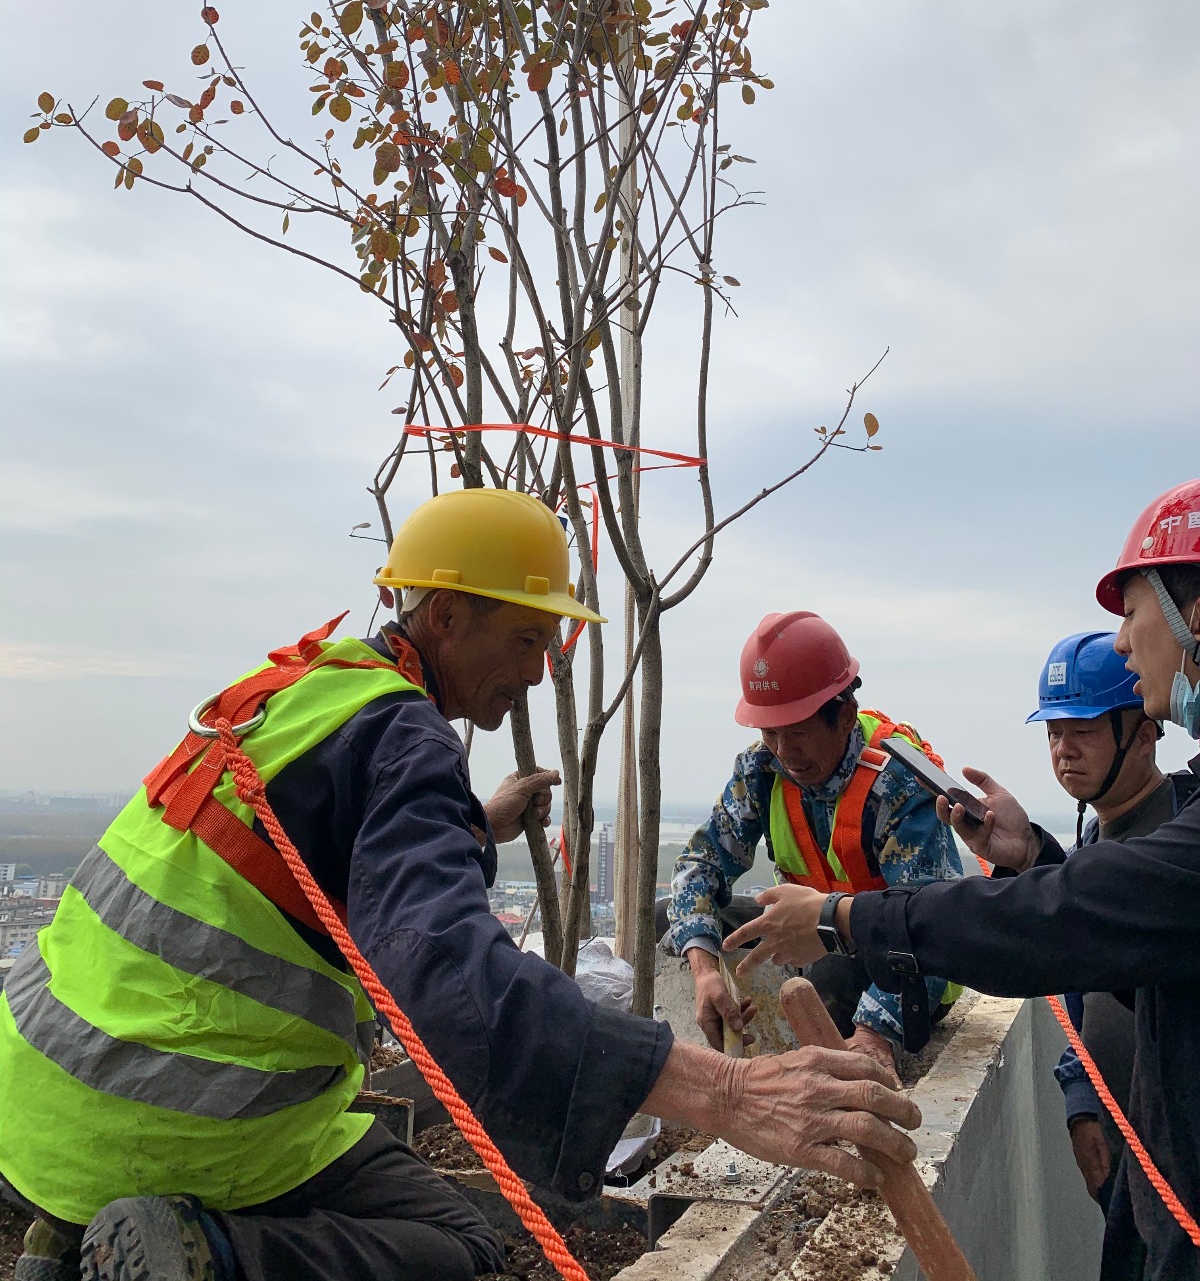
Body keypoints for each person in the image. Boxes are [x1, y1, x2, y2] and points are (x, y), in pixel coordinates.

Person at [0, 488, 920, 1281]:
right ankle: (193, 1247)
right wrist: (728, 1093)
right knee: (457, 1243)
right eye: (525, 637)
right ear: (444, 618)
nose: (537, 668)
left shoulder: (306, 689)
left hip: (37, 1101)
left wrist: (471, 826)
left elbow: (312, 857)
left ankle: (65, 1228)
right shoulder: (406, 744)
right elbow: (449, 977)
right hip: (172, 1114)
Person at [721, 479, 1200, 1281]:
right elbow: (1121, 922)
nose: (1123, 641)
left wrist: (844, 919)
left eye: (1133, 610)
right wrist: (1034, 859)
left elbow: (1067, 922)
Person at [667, 610, 963, 1073]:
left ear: (844, 716)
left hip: (894, 960)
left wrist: (873, 1036)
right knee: (683, 920)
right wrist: (706, 971)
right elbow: (699, 866)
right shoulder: (763, 770)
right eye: (771, 733)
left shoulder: (899, 783)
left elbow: (934, 927)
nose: (785, 753)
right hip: (811, 936)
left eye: (799, 733)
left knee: (833, 977)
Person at [1028, 630, 1196, 1210]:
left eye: (1084, 730)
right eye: (1054, 732)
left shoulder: (1181, 837)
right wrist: (1080, 1094)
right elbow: (1086, 980)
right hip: (1127, 1146)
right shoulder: (1095, 842)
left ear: (1145, 736)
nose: (1064, 750)